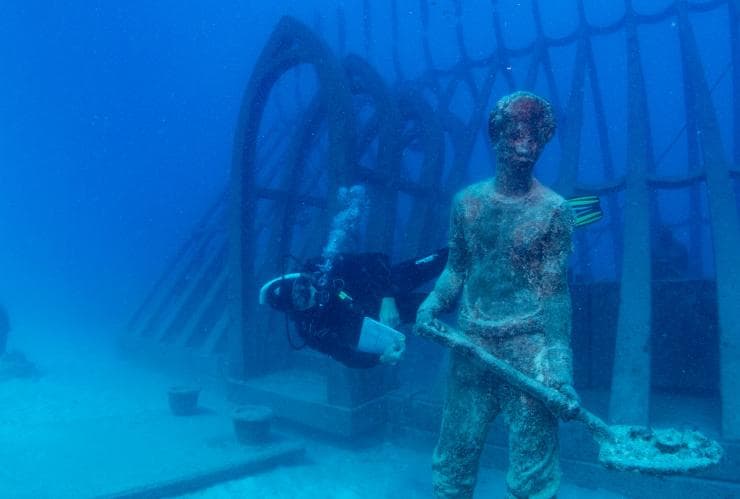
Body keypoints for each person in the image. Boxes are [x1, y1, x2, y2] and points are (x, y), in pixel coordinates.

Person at [416, 91, 578, 499]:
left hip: (528, 347)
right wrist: (432, 303)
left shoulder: (554, 211)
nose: (526, 144)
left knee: (534, 476)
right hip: (470, 345)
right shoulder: (467, 204)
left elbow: (554, 292)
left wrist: (559, 364)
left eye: (536, 135)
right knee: (453, 461)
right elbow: (456, 270)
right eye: (515, 133)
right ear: (497, 137)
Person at [260, 248, 448, 368]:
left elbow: (377, 259)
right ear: (295, 311)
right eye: (301, 300)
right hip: (382, 317)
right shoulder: (310, 330)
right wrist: (381, 358)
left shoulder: (324, 266)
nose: (309, 293)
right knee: (446, 304)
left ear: (304, 276)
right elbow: (344, 355)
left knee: (445, 259)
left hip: (385, 285)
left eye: (303, 285)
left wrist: (387, 297)